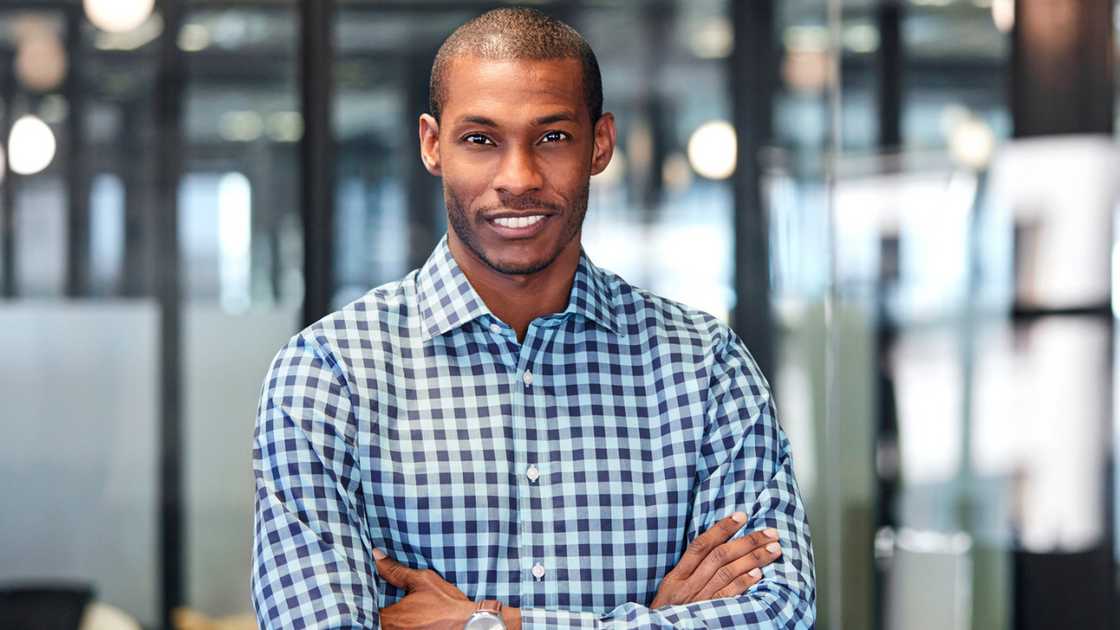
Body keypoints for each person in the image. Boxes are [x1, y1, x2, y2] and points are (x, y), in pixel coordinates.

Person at [251, 7, 815, 629]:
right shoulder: (329, 376)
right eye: (480, 140)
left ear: (599, 143)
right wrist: (654, 622)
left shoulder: (706, 368)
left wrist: (488, 624)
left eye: (551, 137)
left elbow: (777, 614)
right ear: (433, 145)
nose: (517, 178)